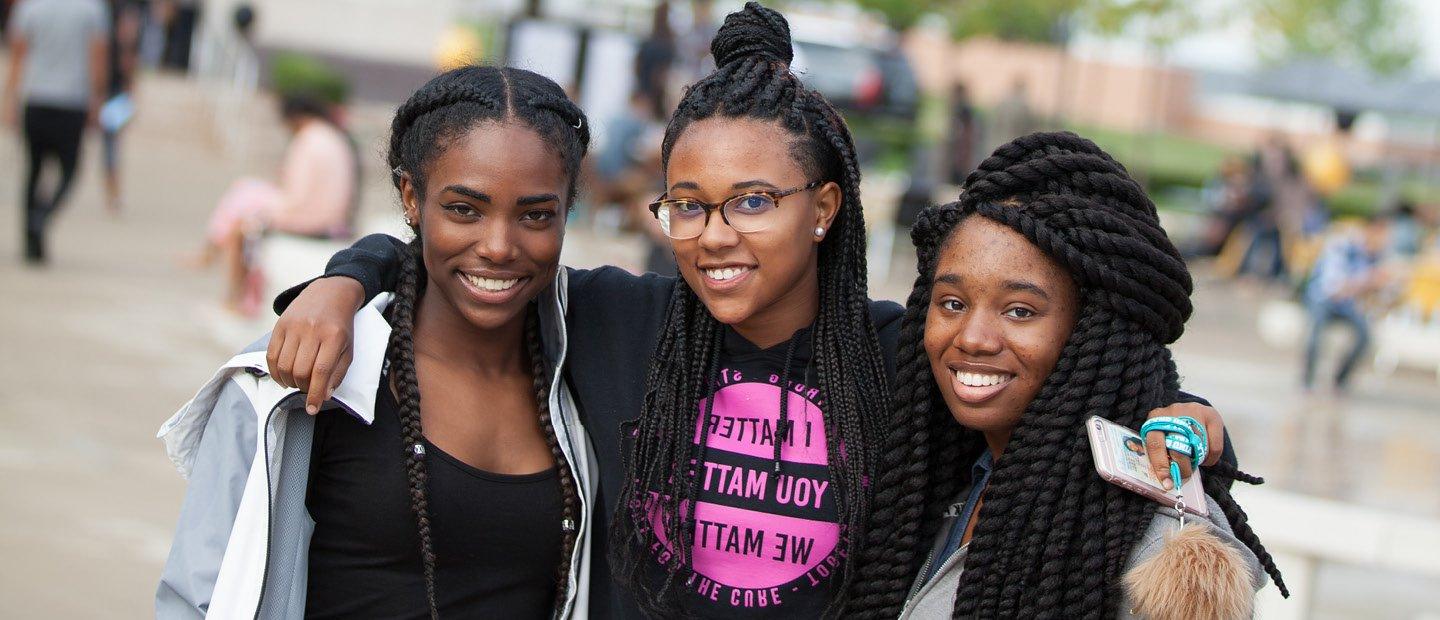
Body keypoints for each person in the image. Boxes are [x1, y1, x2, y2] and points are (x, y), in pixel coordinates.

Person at [264, 4, 1234, 618]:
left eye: (752, 201)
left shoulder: (901, 355)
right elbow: (482, 252)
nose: (713, 233)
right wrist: (347, 278)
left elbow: (1063, 372)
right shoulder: (616, 321)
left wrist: (1194, 421)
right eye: (687, 202)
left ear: (822, 207)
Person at [156, 65, 598, 618]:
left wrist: (353, 272)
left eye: (536, 214)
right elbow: (202, 596)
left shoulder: (593, 366)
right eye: (465, 209)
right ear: (411, 198)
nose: (499, 246)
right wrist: (348, 276)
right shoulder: (302, 377)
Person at [848, 132, 1282, 619]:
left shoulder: (1151, 552)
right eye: (951, 303)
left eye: (1019, 311)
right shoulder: (926, 477)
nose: (972, 337)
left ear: (1092, 333)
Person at [189, 94, 358, 314]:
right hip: (329, 217)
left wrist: (264, 216)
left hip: (313, 219)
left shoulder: (308, 140)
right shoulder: (331, 136)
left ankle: (234, 296)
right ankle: (212, 253)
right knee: (246, 195)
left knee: (241, 224)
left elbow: (297, 197)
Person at [4, 0, 109, 264]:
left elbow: (18, 55)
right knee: (70, 171)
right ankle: (43, 217)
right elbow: (97, 56)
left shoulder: (30, 7)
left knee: (34, 170)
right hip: (71, 101)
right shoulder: (92, 9)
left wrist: (10, 99)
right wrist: (97, 99)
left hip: (36, 97)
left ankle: (31, 239)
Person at [1302, 216, 1391, 394]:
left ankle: (1339, 382)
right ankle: (1307, 382)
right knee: (1315, 336)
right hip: (1323, 299)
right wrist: (1369, 281)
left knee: (1364, 337)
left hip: (1347, 304)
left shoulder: (1374, 255)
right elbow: (1333, 288)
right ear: (1374, 229)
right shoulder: (1342, 246)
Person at [100, 0, 141, 214]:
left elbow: (129, 70)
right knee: (110, 147)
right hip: (106, 92)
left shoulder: (127, 45)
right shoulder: (107, 38)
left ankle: (113, 192)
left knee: (111, 147)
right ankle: (112, 192)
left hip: (113, 95)